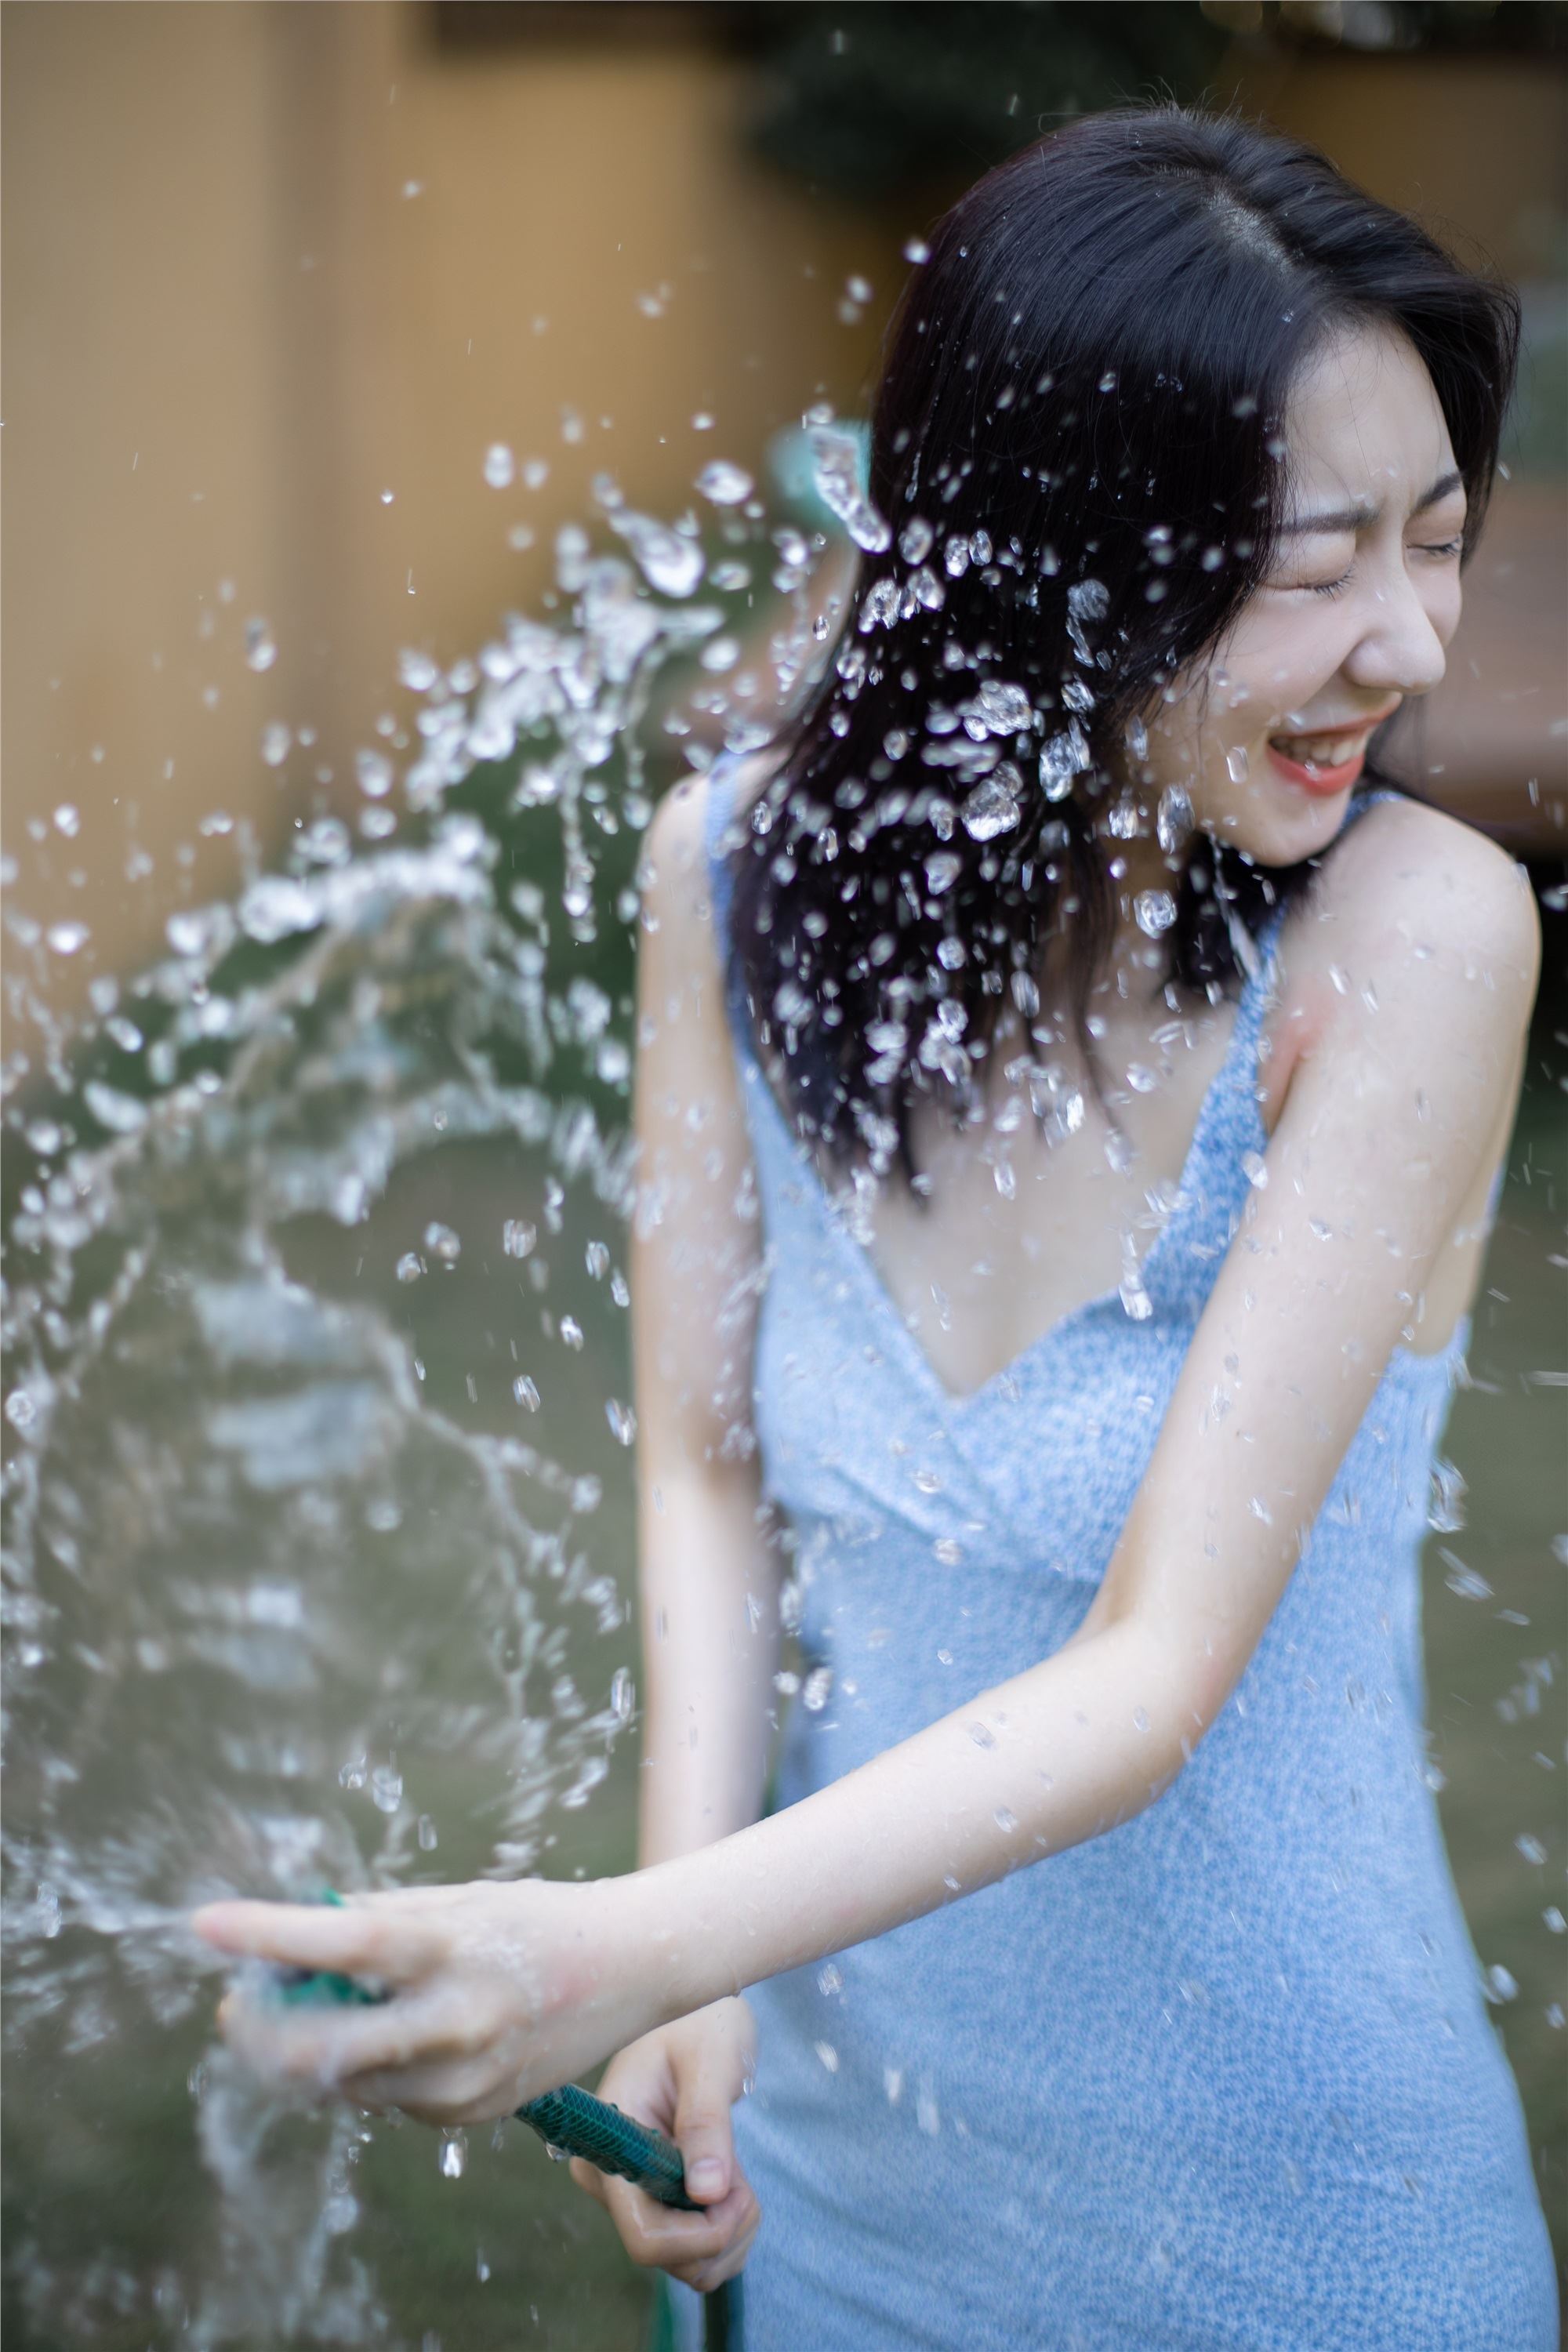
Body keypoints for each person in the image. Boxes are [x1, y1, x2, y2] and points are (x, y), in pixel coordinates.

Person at [193, 104, 1558, 2350]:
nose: (1406, 638)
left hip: (1297, 2232)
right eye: (1314, 563)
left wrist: (627, 1943)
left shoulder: (1414, 944)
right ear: (1046, 553)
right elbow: (705, 1465)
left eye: (1434, 538)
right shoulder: (727, 878)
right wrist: (690, 1957)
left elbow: (1151, 1673)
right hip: (835, 2209)